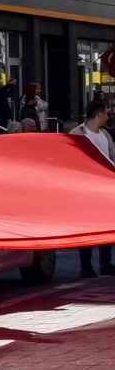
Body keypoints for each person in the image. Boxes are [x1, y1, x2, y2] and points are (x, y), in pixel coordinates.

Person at [70, 99, 114, 277]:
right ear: (100, 114)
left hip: (104, 187)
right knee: (85, 228)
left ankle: (105, 263)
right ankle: (86, 266)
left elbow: (112, 157)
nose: (108, 117)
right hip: (84, 188)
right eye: (107, 114)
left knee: (106, 225)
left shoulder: (106, 135)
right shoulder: (77, 134)